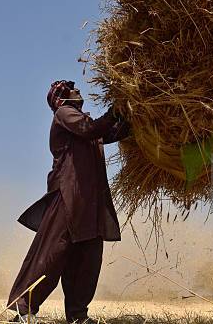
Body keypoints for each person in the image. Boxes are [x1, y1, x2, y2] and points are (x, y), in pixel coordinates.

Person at [7, 80, 130, 324]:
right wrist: (114, 111)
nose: (78, 90)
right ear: (62, 97)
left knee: (88, 258)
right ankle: (24, 309)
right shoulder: (65, 114)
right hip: (68, 196)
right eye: (72, 88)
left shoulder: (85, 123)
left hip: (89, 201)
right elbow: (90, 128)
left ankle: (78, 315)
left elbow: (109, 132)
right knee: (52, 253)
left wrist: (133, 115)